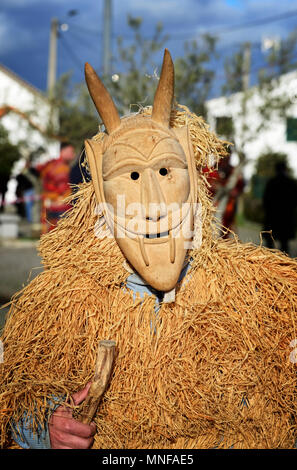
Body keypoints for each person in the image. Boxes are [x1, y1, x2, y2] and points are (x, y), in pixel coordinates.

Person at [1, 50, 297, 450]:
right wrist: (45, 432)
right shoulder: (54, 306)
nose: (153, 203)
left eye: (164, 171)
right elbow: (13, 414)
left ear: (192, 174)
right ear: (99, 192)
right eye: (132, 175)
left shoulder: (266, 295)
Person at [38, 142, 75, 234]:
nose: (73, 155)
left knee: (49, 233)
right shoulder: (60, 167)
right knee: (59, 234)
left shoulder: (53, 164)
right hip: (58, 205)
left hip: (49, 203)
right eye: (71, 152)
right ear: (63, 151)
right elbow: (62, 187)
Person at [263, 160, 297, 254]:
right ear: (285, 169)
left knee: (270, 245)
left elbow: (266, 200)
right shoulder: (291, 183)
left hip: (272, 217)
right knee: (284, 244)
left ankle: (269, 263)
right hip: (286, 218)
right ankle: (285, 264)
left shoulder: (272, 182)